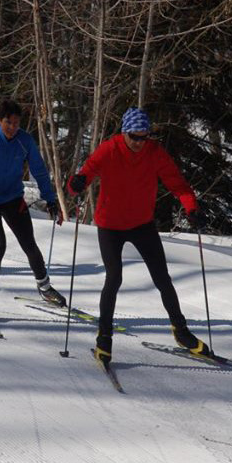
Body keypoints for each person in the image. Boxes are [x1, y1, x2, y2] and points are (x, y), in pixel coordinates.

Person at [68, 107, 209, 364]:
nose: (139, 142)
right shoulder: (110, 149)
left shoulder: (154, 153)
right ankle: (104, 338)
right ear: (125, 133)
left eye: (144, 137)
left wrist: (191, 208)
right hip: (110, 225)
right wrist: (76, 184)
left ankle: (181, 331)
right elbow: (84, 174)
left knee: (162, 278)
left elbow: (178, 185)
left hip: (142, 224)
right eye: (134, 136)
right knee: (114, 277)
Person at [0, 99, 65, 317]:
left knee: (30, 245)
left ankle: (44, 287)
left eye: (17, 123)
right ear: (0, 121)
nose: (13, 128)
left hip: (13, 199)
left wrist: (50, 199)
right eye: (8, 122)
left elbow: (40, 170)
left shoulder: (24, 141)